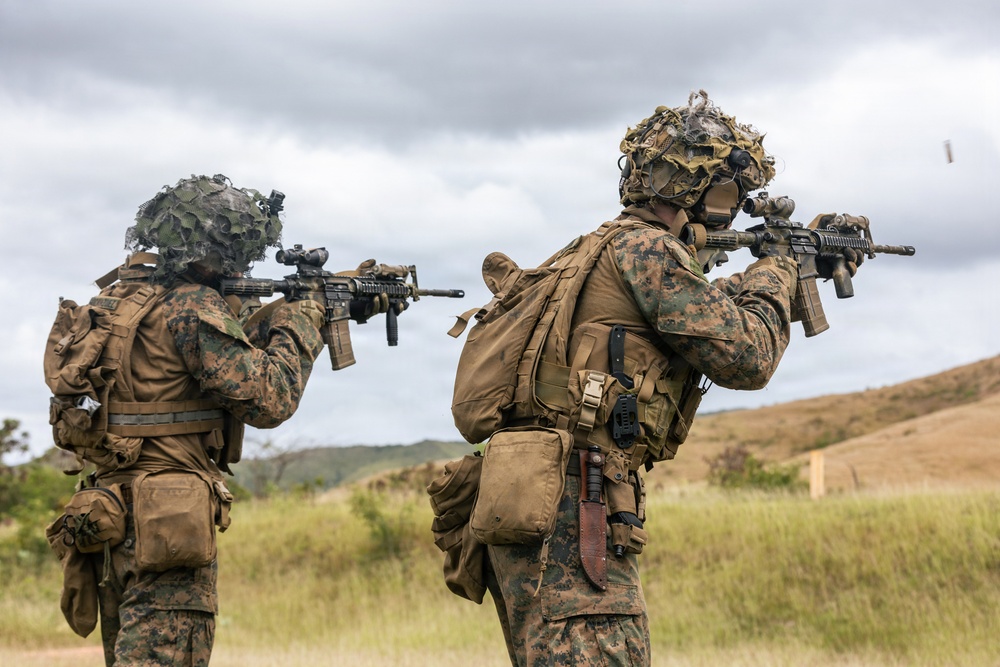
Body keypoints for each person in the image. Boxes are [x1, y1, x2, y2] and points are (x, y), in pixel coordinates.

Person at [469, 92, 814, 666]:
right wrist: (778, 269)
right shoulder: (649, 250)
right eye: (728, 196)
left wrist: (779, 274)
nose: (731, 214)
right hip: (577, 502)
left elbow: (693, 315)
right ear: (694, 189)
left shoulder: (597, 248)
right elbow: (748, 356)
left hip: (537, 494)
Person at [45, 174, 325, 666]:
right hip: (167, 523)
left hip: (109, 515)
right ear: (211, 248)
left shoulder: (116, 301)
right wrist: (302, 319)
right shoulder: (192, 305)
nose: (239, 264)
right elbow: (269, 399)